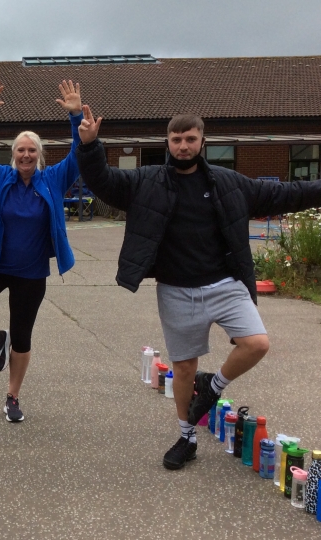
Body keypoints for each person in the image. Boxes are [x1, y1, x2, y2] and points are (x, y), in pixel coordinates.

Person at [76, 105, 321, 470]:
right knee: (184, 368)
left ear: (202, 141)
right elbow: (103, 181)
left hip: (225, 284)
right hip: (176, 289)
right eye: (177, 140)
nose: (183, 146)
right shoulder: (146, 181)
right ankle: (186, 436)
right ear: (168, 143)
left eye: (190, 139)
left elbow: (286, 194)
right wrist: (91, 145)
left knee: (257, 344)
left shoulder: (229, 182)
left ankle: (215, 386)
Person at [0, 79, 84, 422]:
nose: (25, 155)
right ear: (13, 155)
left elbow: (81, 154)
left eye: (31, 150)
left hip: (32, 273)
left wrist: (76, 115)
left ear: (39, 156)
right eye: (20, 150)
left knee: (23, 338)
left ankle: (12, 396)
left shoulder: (52, 180)